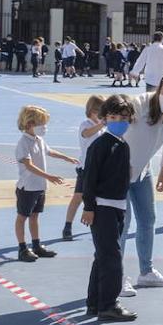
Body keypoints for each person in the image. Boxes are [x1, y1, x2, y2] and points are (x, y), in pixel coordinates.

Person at [116, 73, 163, 295]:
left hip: (143, 171)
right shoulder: (137, 104)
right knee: (122, 224)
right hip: (119, 172)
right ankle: (117, 276)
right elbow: (112, 129)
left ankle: (146, 272)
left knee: (148, 219)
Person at [80, 95, 138, 321]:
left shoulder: (122, 144)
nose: (119, 121)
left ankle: (94, 302)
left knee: (102, 256)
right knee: (112, 257)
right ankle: (108, 304)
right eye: (113, 117)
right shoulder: (101, 144)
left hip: (117, 206)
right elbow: (89, 177)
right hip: (102, 207)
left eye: (123, 117)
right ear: (104, 118)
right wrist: (89, 206)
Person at [13, 105, 77, 261]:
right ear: (29, 124)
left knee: (35, 216)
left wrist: (66, 157)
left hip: (39, 187)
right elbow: (28, 165)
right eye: (41, 124)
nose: (45, 127)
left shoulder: (39, 139)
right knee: (22, 217)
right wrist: (49, 176)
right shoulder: (23, 143)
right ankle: (22, 248)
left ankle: (36, 245)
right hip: (27, 187)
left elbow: (49, 151)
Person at [62, 95, 107, 241]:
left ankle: (98, 223)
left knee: (99, 198)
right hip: (86, 168)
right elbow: (87, 134)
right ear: (93, 111)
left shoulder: (101, 128)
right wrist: (102, 124)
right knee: (78, 197)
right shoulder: (86, 124)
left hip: (99, 168)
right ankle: (67, 226)